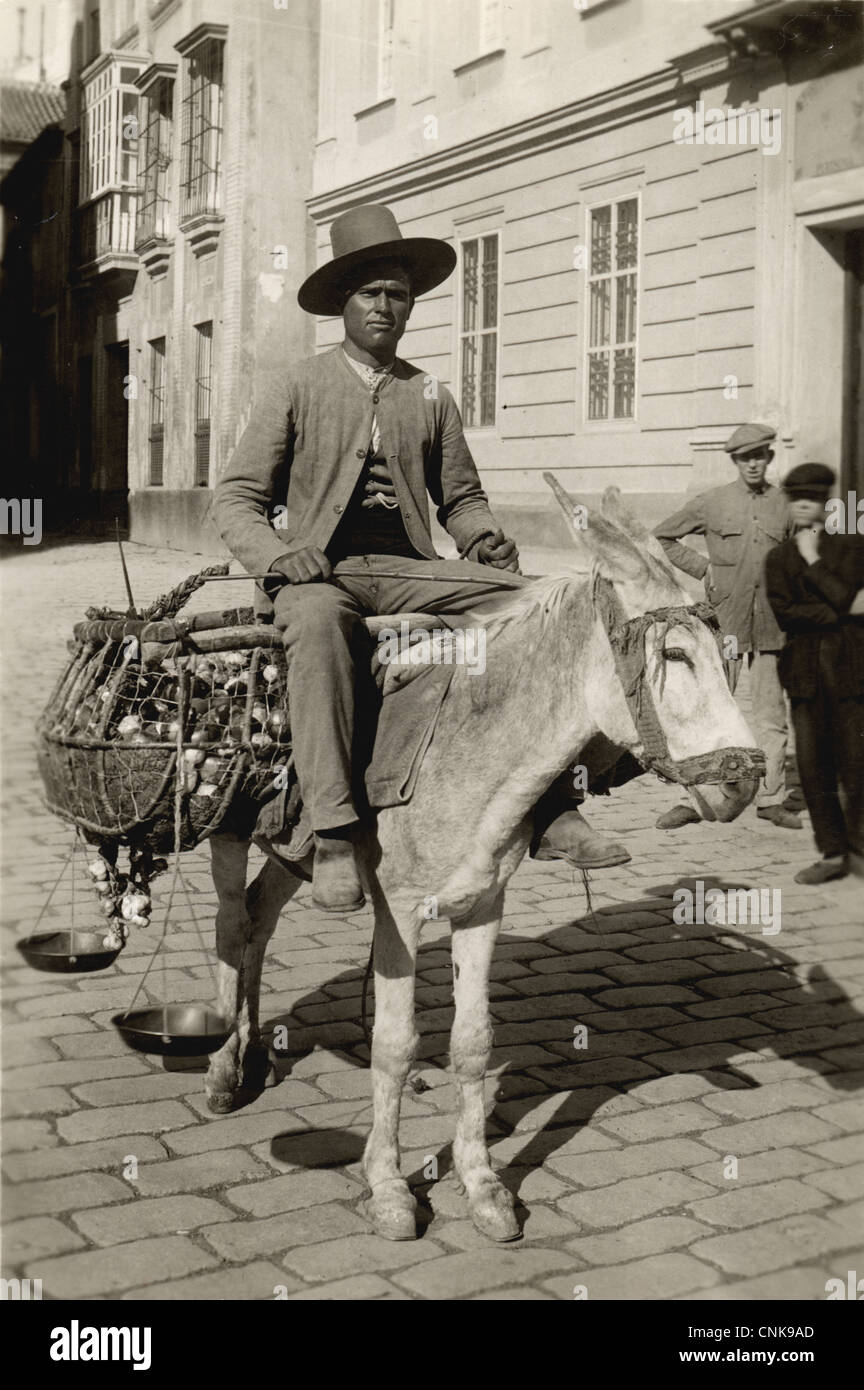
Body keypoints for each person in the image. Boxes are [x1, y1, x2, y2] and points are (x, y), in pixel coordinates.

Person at [215, 204, 627, 911]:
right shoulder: (296, 386)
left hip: (410, 570)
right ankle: (337, 835)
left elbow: (461, 498)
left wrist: (481, 537)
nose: (384, 306)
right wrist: (281, 560)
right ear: (342, 303)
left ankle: (554, 803)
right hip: (322, 576)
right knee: (314, 628)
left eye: (397, 294)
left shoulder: (429, 394)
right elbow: (235, 500)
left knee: (534, 602)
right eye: (369, 292)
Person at [653, 422, 799, 830]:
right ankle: (697, 799)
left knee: (771, 714)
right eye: (744, 457)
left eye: (760, 455)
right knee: (713, 711)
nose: (753, 463)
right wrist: (703, 569)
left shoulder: (785, 505)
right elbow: (661, 537)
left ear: (769, 457)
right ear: (735, 461)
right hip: (728, 623)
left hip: (772, 625)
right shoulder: (712, 502)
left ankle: (770, 799)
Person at [765, 463, 864, 885]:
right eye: (797, 498)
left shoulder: (852, 547)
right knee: (813, 767)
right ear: (789, 503)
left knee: (857, 763)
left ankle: (860, 850)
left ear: (826, 502)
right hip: (804, 675)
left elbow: (846, 594)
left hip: (850, 672)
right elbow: (787, 614)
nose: (805, 505)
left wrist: (813, 561)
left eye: (814, 498)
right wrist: (840, 612)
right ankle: (832, 852)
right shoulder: (777, 557)